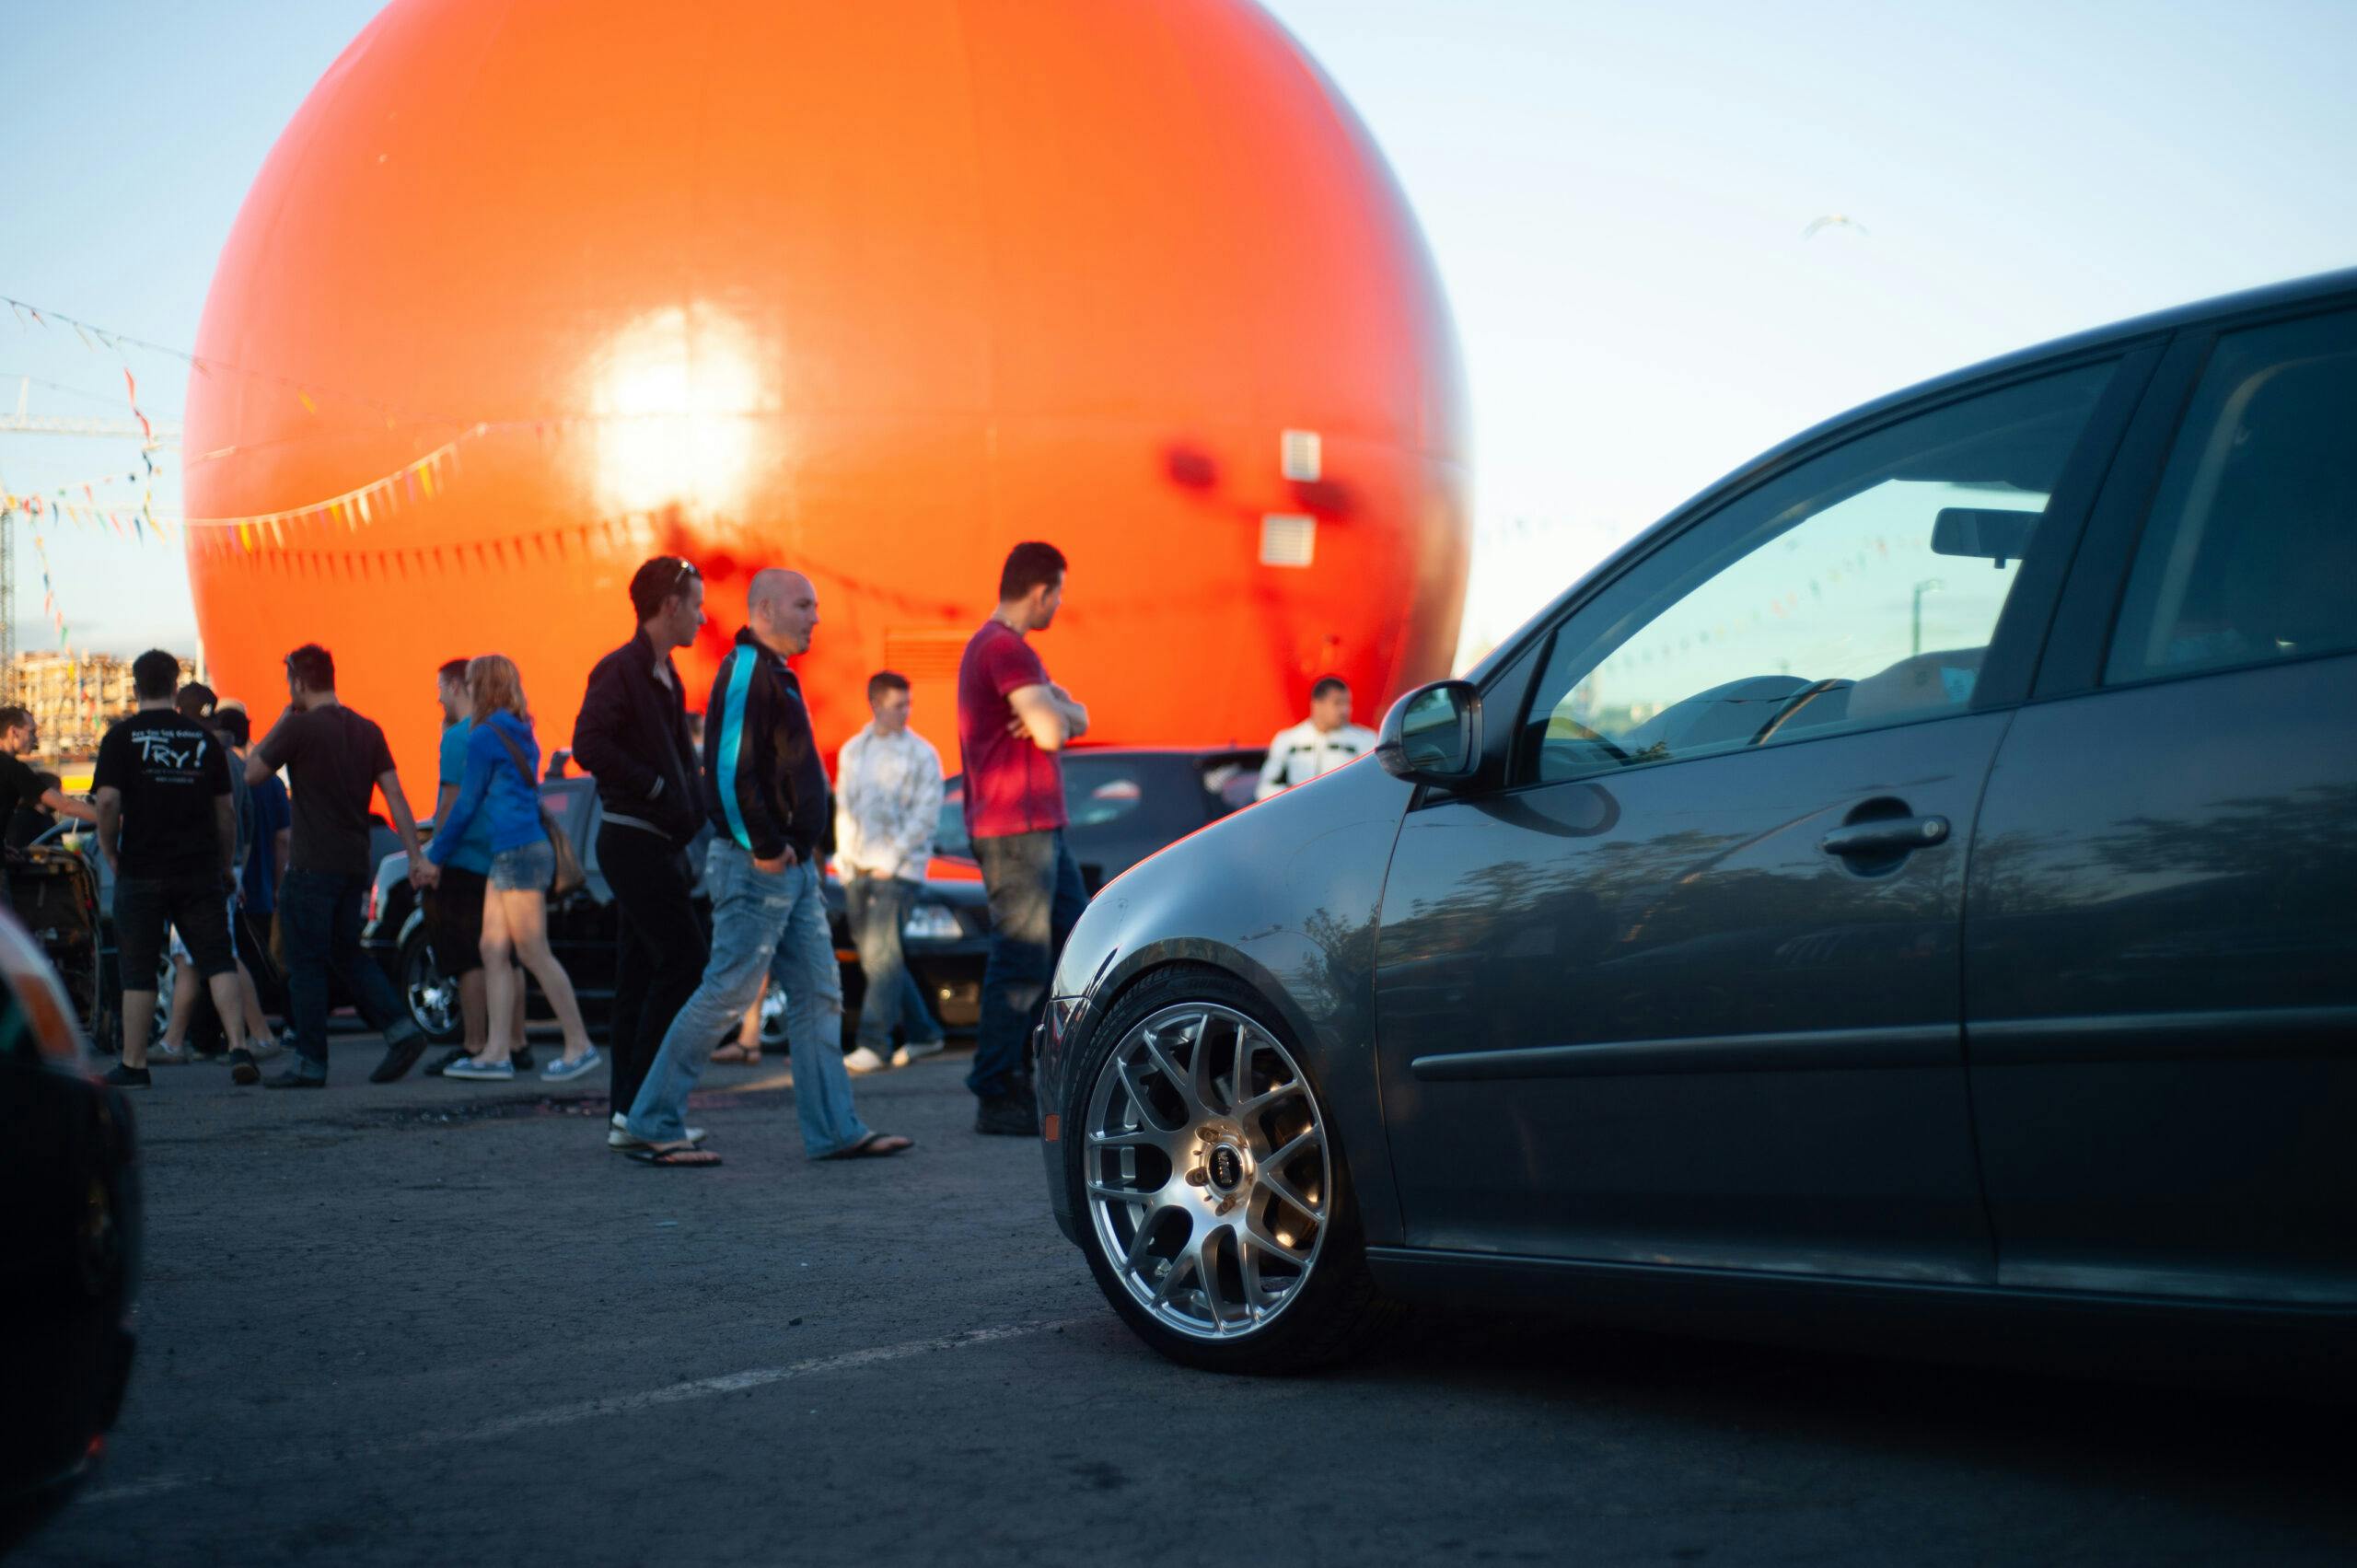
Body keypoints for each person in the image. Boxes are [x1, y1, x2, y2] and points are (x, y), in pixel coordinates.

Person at [621, 568, 910, 1167]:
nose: (816, 616)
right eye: (805, 605)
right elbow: (727, 772)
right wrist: (765, 845)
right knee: (727, 992)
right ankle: (651, 1120)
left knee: (818, 992)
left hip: (789, 866)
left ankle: (834, 1129)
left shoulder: (774, 672)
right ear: (767, 610)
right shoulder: (749, 669)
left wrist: (799, 846)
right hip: (762, 866)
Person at [246, 643, 433, 1086]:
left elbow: (252, 773)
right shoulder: (367, 729)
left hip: (311, 865)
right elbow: (396, 795)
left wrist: (284, 716)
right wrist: (416, 856)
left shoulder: (300, 728)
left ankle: (310, 1061)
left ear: (298, 681)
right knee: (348, 953)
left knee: (305, 963)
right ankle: (401, 1030)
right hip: (353, 864)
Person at [571, 556, 710, 1136]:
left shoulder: (668, 677)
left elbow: (680, 761)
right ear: (670, 605)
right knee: (686, 961)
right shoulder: (619, 670)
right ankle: (649, 1109)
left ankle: (628, 1115)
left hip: (660, 847)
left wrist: (693, 805)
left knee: (636, 980)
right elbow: (587, 743)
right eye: (697, 605)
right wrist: (654, 786)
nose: (703, 618)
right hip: (632, 843)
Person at [957, 541, 1089, 1136]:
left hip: (1038, 828)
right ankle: (997, 1086)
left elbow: (1071, 719)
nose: (1059, 604)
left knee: (1069, 949)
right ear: (1040, 591)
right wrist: (1053, 710)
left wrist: (1057, 706)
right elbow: (1054, 733)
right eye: (1058, 593)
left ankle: (1035, 1077)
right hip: (1016, 830)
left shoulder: (1012, 651)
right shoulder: (1004, 648)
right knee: (1022, 958)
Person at [424, 655, 600, 1083]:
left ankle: (579, 1045)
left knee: (532, 951)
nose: (465, 688)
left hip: (516, 853)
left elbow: (466, 803)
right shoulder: (521, 731)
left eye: (470, 681)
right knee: (492, 949)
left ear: (483, 684)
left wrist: (433, 854)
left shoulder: (484, 736)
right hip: (517, 851)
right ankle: (497, 1052)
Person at [90, 651, 250, 1087]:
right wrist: (224, 863)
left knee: (138, 968)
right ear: (176, 687)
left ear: (136, 688)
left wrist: (109, 851)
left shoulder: (120, 738)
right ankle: (239, 1045)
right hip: (199, 868)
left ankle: (134, 1064)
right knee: (217, 959)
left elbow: (106, 803)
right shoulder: (204, 741)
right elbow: (227, 813)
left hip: (140, 866)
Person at [835, 669, 947, 1074]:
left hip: (900, 872)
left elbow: (924, 816)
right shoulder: (854, 750)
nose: (906, 711)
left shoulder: (922, 754)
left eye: (909, 703)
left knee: (881, 955)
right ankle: (924, 1033)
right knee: (879, 957)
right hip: (857, 868)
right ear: (875, 704)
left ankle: (874, 1043)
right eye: (899, 704)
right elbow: (844, 807)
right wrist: (846, 863)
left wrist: (889, 862)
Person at [421, 658, 529, 1076]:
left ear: (455, 686)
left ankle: (476, 1042)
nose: (437, 697)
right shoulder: (507, 732)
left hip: (465, 858)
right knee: (511, 956)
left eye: (441, 687)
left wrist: (434, 857)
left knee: (468, 957)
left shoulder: (457, 738)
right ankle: (517, 1042)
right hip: (504, 853)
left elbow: (451, 804)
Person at [1254, 677, 1377, 799]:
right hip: (1298, 812)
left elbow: (1374, 784)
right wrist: (1295, 798)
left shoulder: (1366, 740)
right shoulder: (1288, 740)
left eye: (1347, 703)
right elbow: (1265, 788)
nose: (1345, 710)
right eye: (1337, 703)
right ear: (1317, 704)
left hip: (1346, 812)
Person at [0, 705, 99, 830]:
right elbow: (65, 806)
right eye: (32, 732)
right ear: (14, 732)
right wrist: (117, 820)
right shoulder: (13, 769)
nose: (35, 739)